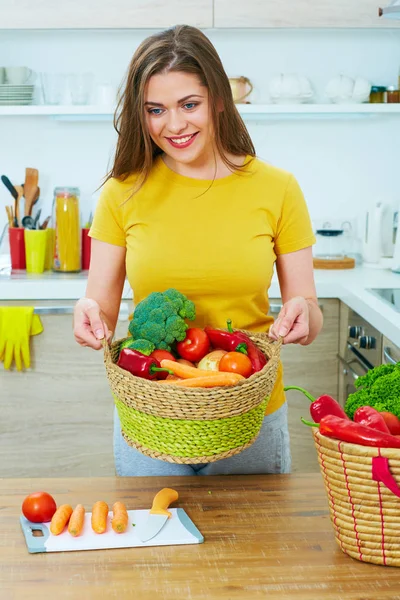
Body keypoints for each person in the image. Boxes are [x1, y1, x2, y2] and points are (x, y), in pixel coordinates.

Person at [73, 24, 323, 477]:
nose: (175, 125)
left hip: (249, 412)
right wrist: (89, 315)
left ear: (219, 101)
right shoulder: (121, 193)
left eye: (190, 104)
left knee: (255, 547)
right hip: (154, 413)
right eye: (156, 109)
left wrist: (304, 313)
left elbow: (308, 307)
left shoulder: (278, 188)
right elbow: (102, 309)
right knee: (153, 546)